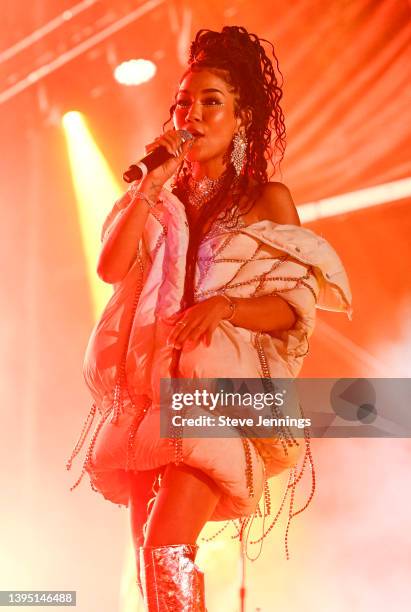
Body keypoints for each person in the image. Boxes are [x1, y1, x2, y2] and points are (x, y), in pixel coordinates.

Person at [67, 26, 352, 611]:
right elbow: (109, 267)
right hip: (151, 394)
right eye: (183, 102)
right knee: (154, 569)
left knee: (166, 547)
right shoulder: (160, 196)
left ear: (241, 115)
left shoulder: (266, 199)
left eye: (210, 101)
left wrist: (226, 307)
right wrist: (150, 186)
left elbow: (295, 306)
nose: (191, 114)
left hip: (216, 393)